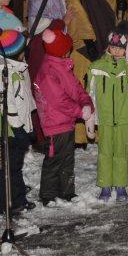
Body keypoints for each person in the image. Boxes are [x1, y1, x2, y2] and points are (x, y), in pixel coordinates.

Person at [33, 27, 94, 206]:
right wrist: (79, 112)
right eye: (67, 48)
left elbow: (76, 88)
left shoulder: (63, 65)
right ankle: (48, 194)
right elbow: (60, 100)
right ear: (62, 50)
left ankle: (67, 191)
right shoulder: (47, 72)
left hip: (66, 122)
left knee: (67, 158)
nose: (69, 51)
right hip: (54, 124)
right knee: (54, 160)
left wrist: (86, 102)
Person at [66, 0, 120, 144]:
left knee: (104, 91)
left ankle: (102, 132)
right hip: (84, 47)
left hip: (108, 46)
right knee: (82, 88)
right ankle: (80, 135)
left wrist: (124, 11)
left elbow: (119, 17)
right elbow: (76, 13)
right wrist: (88, 40)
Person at [0, 13, 38, 214]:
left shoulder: (15, 69)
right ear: (17, 53)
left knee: (10, 166)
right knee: (8, 167)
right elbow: (8, 104)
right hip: (9, 130)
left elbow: (24, 100)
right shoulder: (6, 73)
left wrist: (29, 125)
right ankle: (8, 203)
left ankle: (12, 199)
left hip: (15, 127)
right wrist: (19, 129)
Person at [89, 29, 128, 201]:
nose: (116, 51)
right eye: (113, 47)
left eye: (121, 48)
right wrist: (89, 117)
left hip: (124, 117)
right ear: (108, 46)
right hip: (104, 118)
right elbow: (89, 92)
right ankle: (105, 186)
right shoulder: (97, 66)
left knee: (121, 152)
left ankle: (121, 186)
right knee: (105, 152)